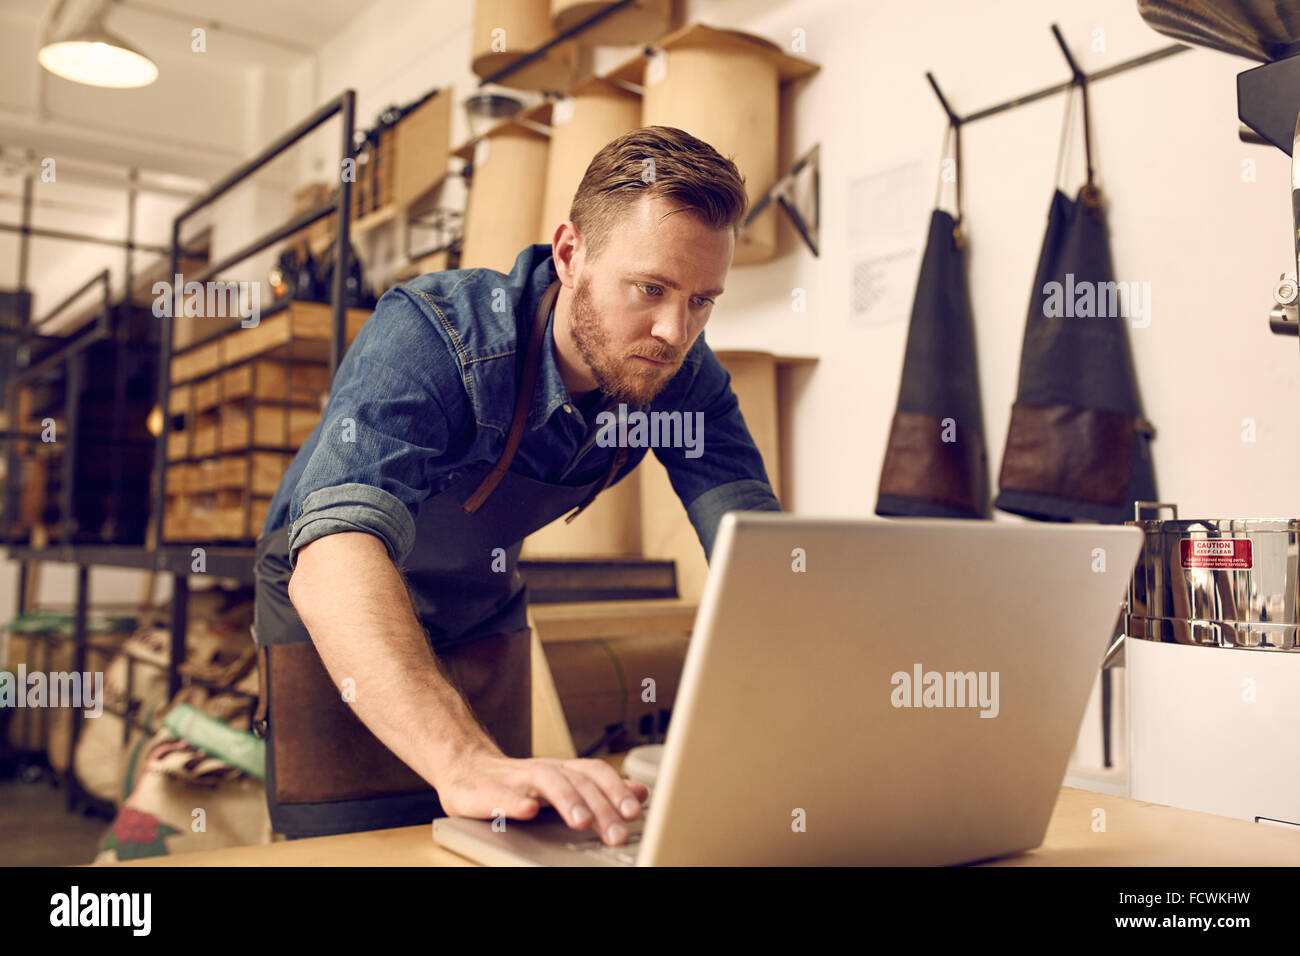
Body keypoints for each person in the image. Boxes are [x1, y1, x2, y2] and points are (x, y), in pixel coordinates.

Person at [251, 125, 782, 846]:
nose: (672, 330)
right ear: (570, 254)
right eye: (650, 288)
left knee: (501, 838)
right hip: (336, 615)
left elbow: (756, 552)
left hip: (477, 609)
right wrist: (462, 757)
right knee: (354, 850)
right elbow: (334, 555)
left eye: (702, 301)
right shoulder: (434, 336)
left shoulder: (680, 376)